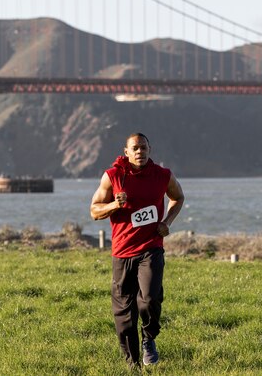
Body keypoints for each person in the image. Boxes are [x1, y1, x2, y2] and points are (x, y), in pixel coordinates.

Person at [90, 132, 184, 368]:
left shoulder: (162, 176)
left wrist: (167, 222)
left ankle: (149, 338)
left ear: (150, 150)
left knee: (150, 299)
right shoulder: (113, 176)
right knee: (124, 314)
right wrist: (114, 204)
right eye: (135, 148)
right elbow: (94, 211)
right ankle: (133, 366)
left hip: (151, 248)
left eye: (144, 147)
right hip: (122, 252)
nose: (140, 151)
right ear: (127, 152)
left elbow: (178, 197)